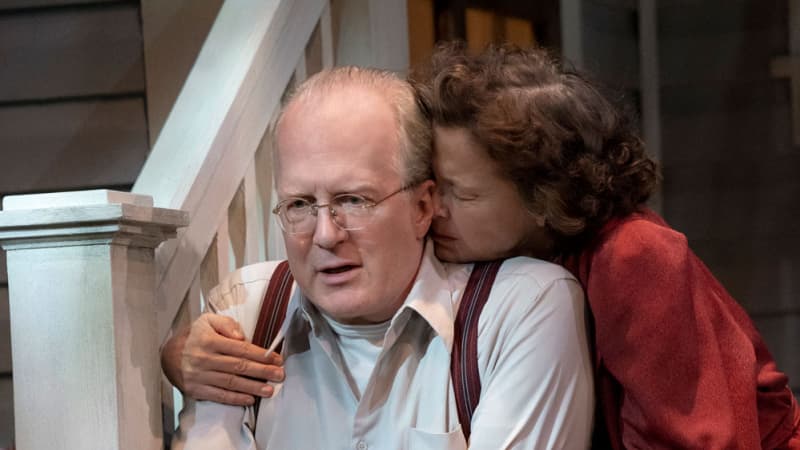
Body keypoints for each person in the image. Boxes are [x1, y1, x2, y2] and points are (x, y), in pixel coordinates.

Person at [165, 43, 800, 449]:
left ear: (541, 200)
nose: (433, 208)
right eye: (301, 204)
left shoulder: (630, 259)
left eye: (456, 194)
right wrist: (174, 354)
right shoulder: (259, 304)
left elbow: (700, 437)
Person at [170, 65, 594, 449]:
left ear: (423, 207)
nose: (325, 235)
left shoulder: (519, 308)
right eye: (299, 204)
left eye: (354, 200)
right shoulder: (246, 314)